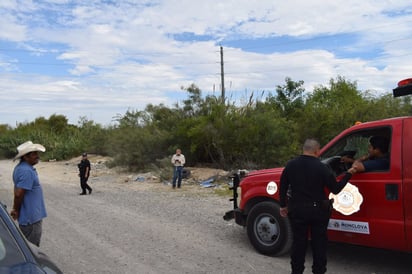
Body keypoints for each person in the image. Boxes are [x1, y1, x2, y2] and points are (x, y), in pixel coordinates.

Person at [279, 139, 354, 274]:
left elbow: (283, 186)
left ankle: (296, 271)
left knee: (298, 244)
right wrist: (349, 173)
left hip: (297, 210)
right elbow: (335, 189)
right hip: (318, 212)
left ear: (304, 149)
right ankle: (318, 271)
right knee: (319, 245)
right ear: (317, 150)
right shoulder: (322, 167)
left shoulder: (291, 165)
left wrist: (282, 206)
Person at [10, 141, 47, 247]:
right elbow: (19, 194)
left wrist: (15, 209)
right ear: (25, 157)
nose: (37, 156)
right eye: (34, 154)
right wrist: (16, 210)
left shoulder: (22, 168)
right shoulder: (26, 171)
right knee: (32, 249)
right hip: (31, 219)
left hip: (29, 217)